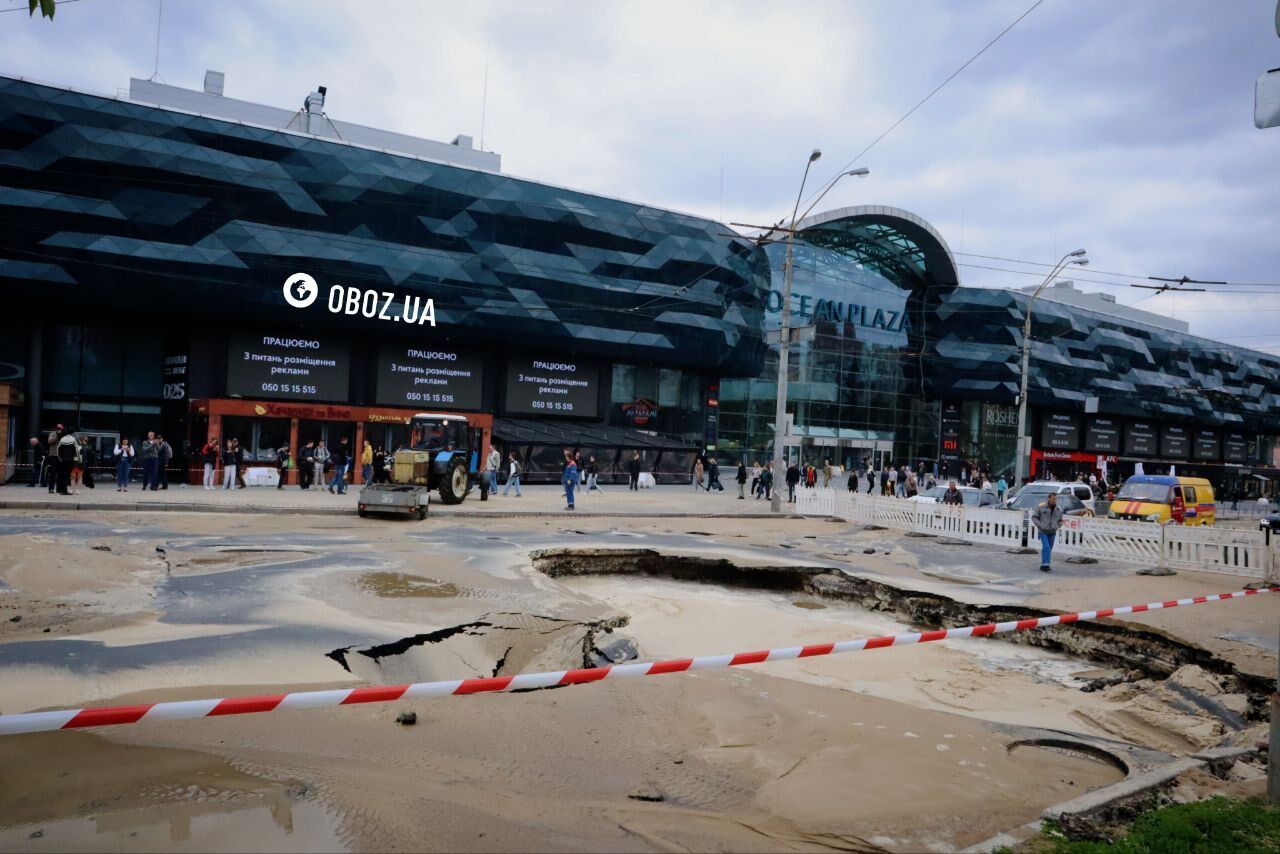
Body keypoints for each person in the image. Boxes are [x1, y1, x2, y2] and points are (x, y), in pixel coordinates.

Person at [1031, 492, 1065, 573]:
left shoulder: (1059, 509)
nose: (1054, 500)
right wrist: (1040, 525)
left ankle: (1044, 564)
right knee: (1046, 547)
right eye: (1053, 499)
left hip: (1052, 531)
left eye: (1055, 499)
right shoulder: (1041, 507)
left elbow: (1061, 521)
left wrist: (1057, 526)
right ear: (1049, 498)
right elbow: (1034, 517)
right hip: (1043, 531)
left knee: (1049, 548)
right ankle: (1045, 565)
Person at [54, 428, 77, 495]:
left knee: (61, 475)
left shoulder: (62, 439)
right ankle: (64, 490)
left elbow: (58, 449)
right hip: (69, 460)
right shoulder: (72, 439)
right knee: (66, 476)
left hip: (61, 460)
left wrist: (60, 458)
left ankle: (60, 489)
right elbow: (75, 451)